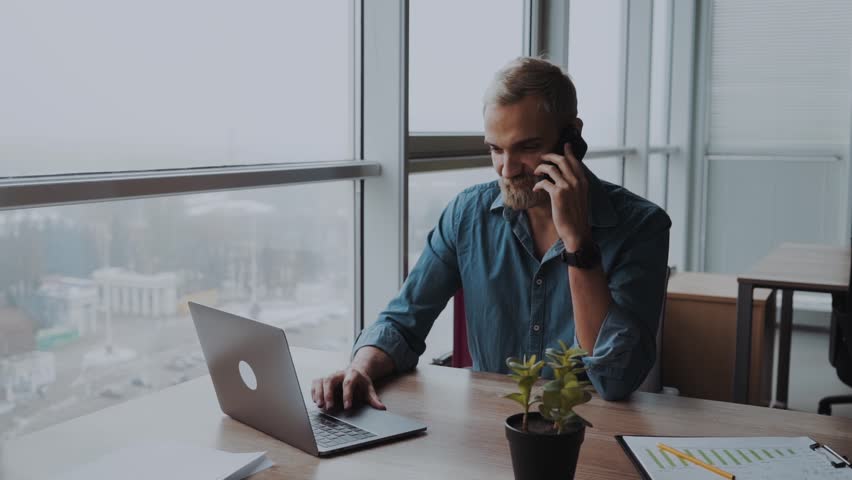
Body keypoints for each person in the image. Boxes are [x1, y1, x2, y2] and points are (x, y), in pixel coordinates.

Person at [311, 56, 671, 409]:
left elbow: (616, 378)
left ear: (572, 138)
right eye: (496, 149)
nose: (508, 169)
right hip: (490, 429)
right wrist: (359, 368)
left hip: (586, 433)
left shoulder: (642, 227)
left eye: (527, 147)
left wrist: (578, 242)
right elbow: (403, 321)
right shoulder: (468, 214)